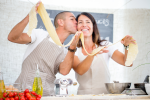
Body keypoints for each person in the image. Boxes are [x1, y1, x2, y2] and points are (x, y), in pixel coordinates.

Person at [7, 2, 81, 96]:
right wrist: (29, 17)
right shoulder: (39, 34)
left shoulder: (66, 51)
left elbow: (64, 71)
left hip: (47, 95)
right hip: (23, 93)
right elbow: (12, 37)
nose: (76, 22)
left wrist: (73, 47)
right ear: (61, 22)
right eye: (72, 19)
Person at [72, 12, 136, 95]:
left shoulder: (106, 45)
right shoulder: (74, 49)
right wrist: (92, 54)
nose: (84, 25)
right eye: (80, 22)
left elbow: (128, 63)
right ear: (77, 28)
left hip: (104, 95)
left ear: (93, 27)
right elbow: (80, 71)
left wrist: (127, 47)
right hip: (82, 96)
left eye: (88, 22)